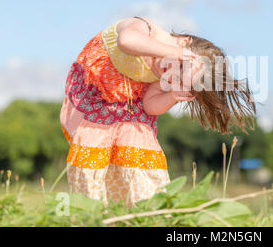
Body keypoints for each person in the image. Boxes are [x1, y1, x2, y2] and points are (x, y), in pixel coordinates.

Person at [60, 16, 255, 205]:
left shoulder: (165, 76)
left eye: (177, 79)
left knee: (139, 149)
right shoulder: (147, 29)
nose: (171, 76)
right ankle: (90, 210)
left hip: (125, 110)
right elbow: (126, 40)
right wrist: (172, 52)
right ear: (183, 42)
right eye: (179, 66)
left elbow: (149, 105)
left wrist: (171, 96)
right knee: (92, 157)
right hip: (97, 98)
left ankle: (146, 205)